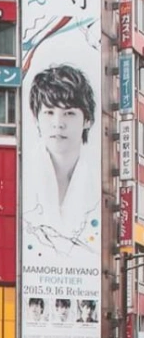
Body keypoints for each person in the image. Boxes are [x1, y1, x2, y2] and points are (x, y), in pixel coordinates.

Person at [24, 64, 99, 250]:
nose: (58, 124)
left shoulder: (98, 180)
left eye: (69, 113)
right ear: (35, 118)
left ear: (87, 120)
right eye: (49, 112)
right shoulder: (22, 173)